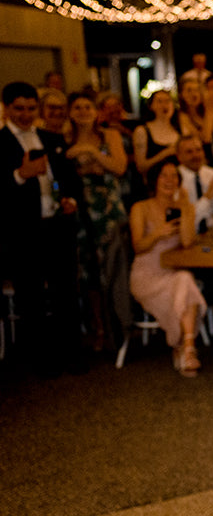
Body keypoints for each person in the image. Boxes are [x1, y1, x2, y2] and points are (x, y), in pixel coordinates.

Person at [1, 81, 85, 377]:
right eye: (18, 109)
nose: (25, 115)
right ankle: (40, 361)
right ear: (7, 109)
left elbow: (68, 180)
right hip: (24, 233)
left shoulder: (51, 139)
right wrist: (20, 176)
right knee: (31, 298)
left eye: (30, 108)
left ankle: (71, 355)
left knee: (66, 293)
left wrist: (69, 199)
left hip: (57, 227)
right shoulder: (1, 143)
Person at [65, 91, 132, 351]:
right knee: (88, 270)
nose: (83, 112)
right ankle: (98, 327)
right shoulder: (65, 139)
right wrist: (90, 165)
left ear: (96, 112)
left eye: (88, 107)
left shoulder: (109, 136)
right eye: (78, 107)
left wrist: (90, 151)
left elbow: (119, 167)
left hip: (109, 208)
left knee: (114, 265)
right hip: (82, 210)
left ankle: (119, 323)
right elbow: (66, 173)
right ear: (71, 112)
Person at [129, 160, 207, 377]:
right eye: (164, 175)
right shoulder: (141, 207)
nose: (169, 180)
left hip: (173, 272)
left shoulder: (185, 207)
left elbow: (188, 242)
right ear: (154, 180)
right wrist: (157, 233)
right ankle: (186, 348)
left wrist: (184, 210)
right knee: (185, 281)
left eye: (174, 176)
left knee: (183, 279)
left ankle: (185, 349)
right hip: (146, 274)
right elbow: (137, 247)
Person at [176, 134, 213, 233]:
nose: (196, 155)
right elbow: (187, 220)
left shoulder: (211, 174)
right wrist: (208, 196)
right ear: (179, 156)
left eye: (198, 150)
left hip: (212, 233)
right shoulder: (174, 180)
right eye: (189, 152)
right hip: (189, 238)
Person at [133, 90, 182, 176]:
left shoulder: (181, 130)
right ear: (151, 106)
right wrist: (164, 154)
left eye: (168, 101)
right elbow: (141, 167)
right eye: (159, 101)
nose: (164, 105)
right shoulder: (142, 131)